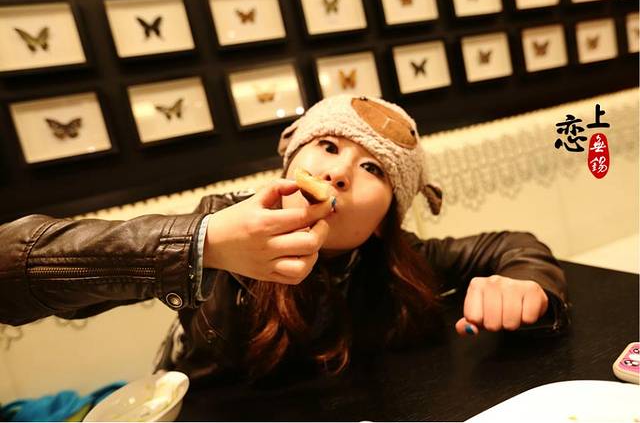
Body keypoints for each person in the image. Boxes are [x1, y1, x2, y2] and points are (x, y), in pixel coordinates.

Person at [0, 95, 569, 384]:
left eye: (373, 169)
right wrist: (202, 244)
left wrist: (526, 284)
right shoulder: (219, 224)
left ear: (385, 219)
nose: (339, 172)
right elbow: (12, 267)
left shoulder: (393, 262)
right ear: (291, 159)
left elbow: (514, 245)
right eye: (329, 146)